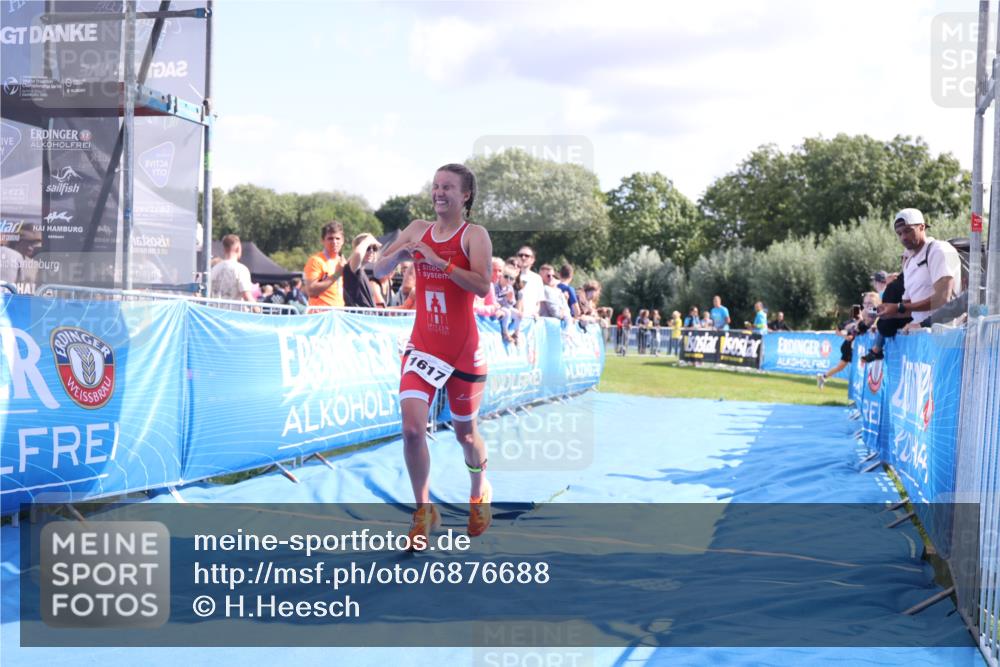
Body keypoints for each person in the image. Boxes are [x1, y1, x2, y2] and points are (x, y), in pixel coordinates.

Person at [373, 163, 494, 546]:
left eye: (448, 187)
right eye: (436, 186)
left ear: (465, 195)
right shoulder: (416, 228)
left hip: (463, 351)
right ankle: (424, 511)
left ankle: (478, 491)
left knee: (466, 435)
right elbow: (378, 269)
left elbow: (482, 285)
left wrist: (439, 261)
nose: (439, 192)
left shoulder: (474, 235)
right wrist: (400, 255)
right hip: (424, 345)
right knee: (412, 430)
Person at [866, 209, 962, 362]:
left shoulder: (938, 250)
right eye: (899, 233)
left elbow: (942, 298)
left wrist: (899, 308)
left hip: (946, 338)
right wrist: (890, 312)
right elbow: (909, 307)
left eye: (908, 231)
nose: (903, 237)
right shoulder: (909, 262)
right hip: (922, 342)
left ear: (922, 227)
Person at [304, 221, 347, 309]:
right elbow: (311, 291)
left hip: (339, 313)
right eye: (330, 238)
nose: (334, 242)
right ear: (322, 241)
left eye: (337, 238)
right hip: (320, 313)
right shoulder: (316, 260)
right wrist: (336, 274)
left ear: (343, 240)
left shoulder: (342, 261)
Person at [210, 234, 254, 303]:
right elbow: (247, 296)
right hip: (233, 309)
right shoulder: (241, 269)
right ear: (238, 248)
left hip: (213, 309)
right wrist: (258, 309)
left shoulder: (214, 269)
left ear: (224, 249)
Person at [343, 232, 382, 308]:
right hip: (356, 315)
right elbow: (358, 254)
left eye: (374, 248)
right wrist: (368, 239)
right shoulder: (352, 268)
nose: (371, 251)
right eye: (368, 248)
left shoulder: (361, 271)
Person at [516, 245, 544, 317]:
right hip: (514, 317)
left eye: (527, 256)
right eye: (520, 255)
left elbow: (538, 303)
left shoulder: (537, 278)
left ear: (532, 260)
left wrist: (535, 312)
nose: (523, 257)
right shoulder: (510, 276)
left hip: (530, 319)